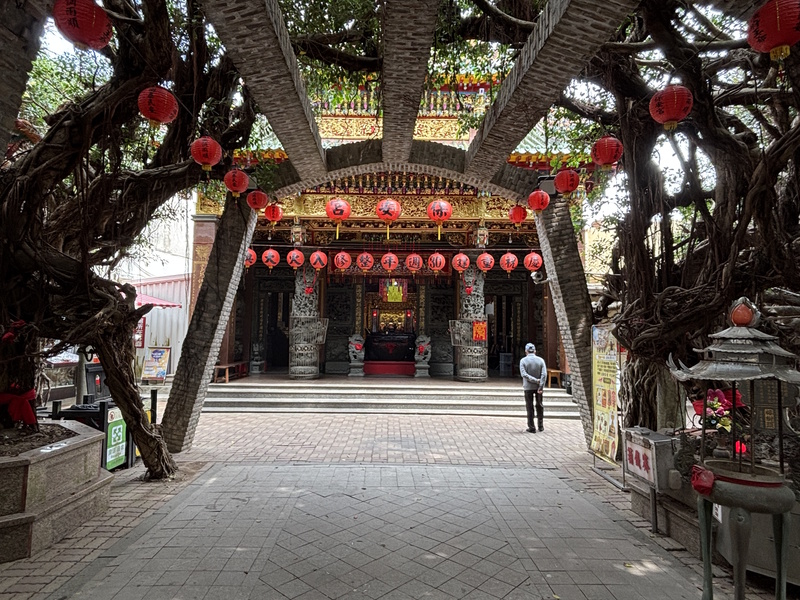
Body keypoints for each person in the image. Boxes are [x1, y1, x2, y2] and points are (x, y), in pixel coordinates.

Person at [519, 342, 546, 433]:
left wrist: (534, 380)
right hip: (539, 387)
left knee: (529, 406)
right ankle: (541, 426)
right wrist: (540, 384)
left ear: (526, 351)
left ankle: (531, 427)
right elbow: (544, 374)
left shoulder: (523, 361)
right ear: (535, 351)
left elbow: (524, 374)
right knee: (539, 405)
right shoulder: (541, 360)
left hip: (528, 387)